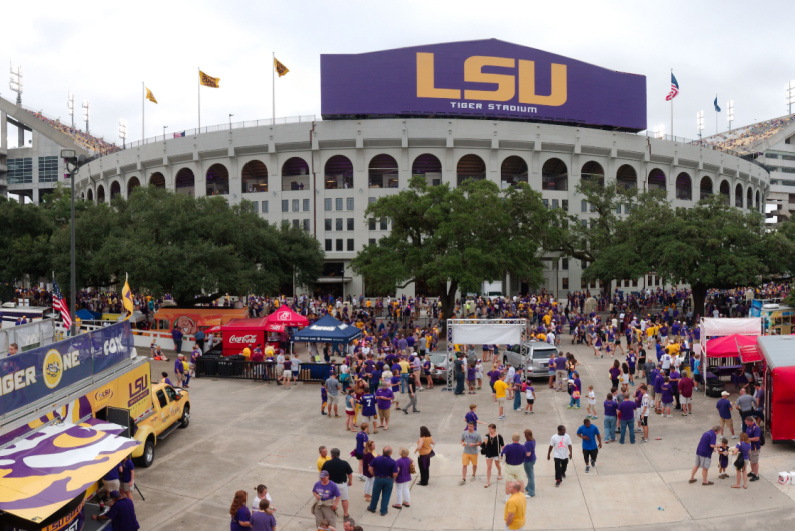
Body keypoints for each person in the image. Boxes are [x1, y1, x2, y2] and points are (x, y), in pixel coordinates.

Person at [321, 449, 353, 519]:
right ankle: (345, 514)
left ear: (331, 455)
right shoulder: (344, 463)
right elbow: (350, 474)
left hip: (331, 485)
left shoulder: (327, 463)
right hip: (342, 484)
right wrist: (350, 481)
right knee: (344, 499)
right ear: (339, 454)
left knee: (330, 500)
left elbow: (323, 474)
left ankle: (330, 514)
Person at [367, 446, 398, 516]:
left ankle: (372, 508)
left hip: (378, 478)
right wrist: (392, 478)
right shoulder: (393, 462)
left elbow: (370, 468)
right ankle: (383, 511)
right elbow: (395, 473)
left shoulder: (376, 459)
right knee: (386, 495)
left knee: (375, 494)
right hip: (388, 479)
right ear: (390, 453)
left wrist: (374, 474)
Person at [482, 423, 504, 488]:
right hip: (489, 453)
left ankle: (499, 473)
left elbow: (502, 445)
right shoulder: (487, 435)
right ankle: (488, 481)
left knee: (497, 465)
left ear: (494, 429)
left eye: (490, 429)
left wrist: (503, 453)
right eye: (488, 429)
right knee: (489, 467)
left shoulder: (499, 436)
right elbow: (484, 445)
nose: (489, 430)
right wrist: (485, 443)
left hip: (496, 453)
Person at [744, 416, 762, 482]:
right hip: (749, 447)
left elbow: (757, 438)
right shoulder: (748, 427)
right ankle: (752, 472)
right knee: (751, 460)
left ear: (750, 421)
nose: (745, 423)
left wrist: (748, 439)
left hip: (755, 448)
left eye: (746, 422)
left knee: (755, 461)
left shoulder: (756, 428)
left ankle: (756, 475)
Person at [522, 429, 536, 498]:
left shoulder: (528, 443)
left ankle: (531, 492)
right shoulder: (533, 440)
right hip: (533, 459)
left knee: (530, 476)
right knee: (529, 474)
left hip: (528, 461)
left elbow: (528, 454)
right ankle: (528, 487)